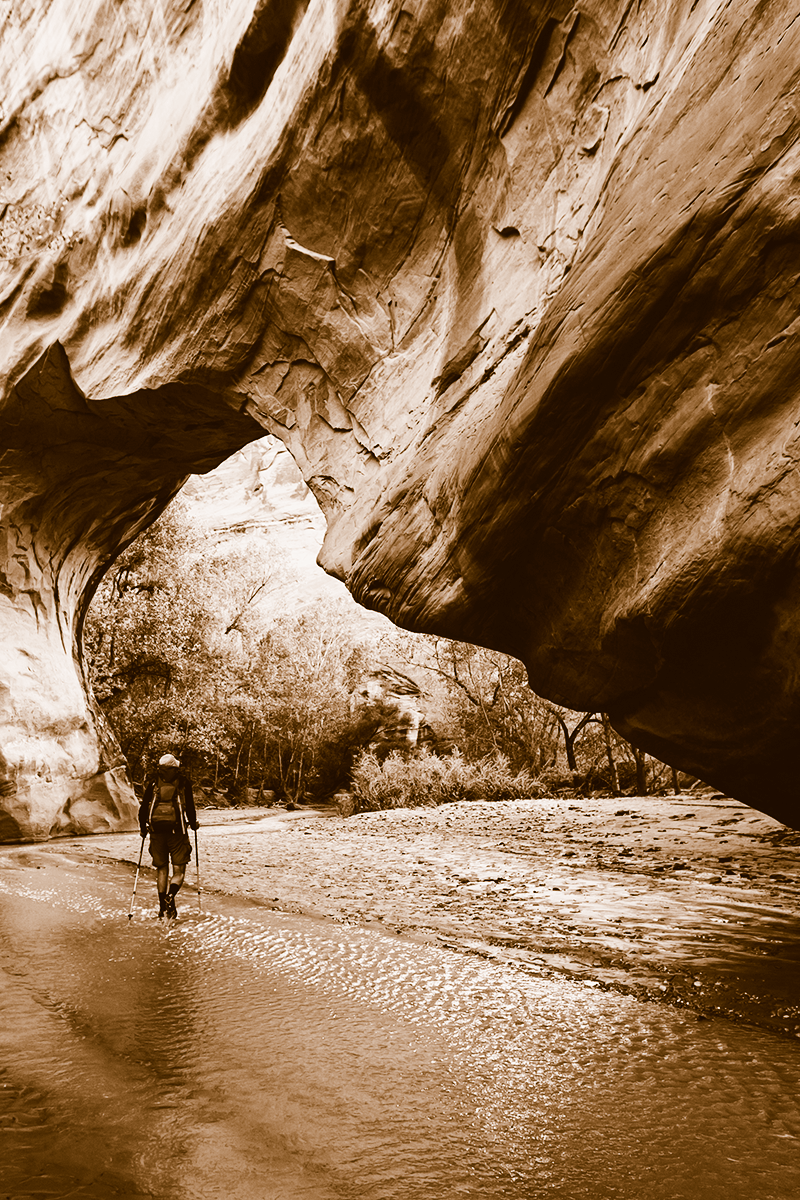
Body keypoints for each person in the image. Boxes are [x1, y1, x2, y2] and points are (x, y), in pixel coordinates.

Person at [139, 753, 198, 919]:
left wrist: (143, 828)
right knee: (179, 871)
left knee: (162, 869)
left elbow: (143, 808)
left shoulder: (153, 782)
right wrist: (193, 825)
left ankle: (162, 908)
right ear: (175, 767)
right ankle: (170, 896)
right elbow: (191, 808)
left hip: (156, 832)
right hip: (177, 832)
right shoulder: (183, 782)